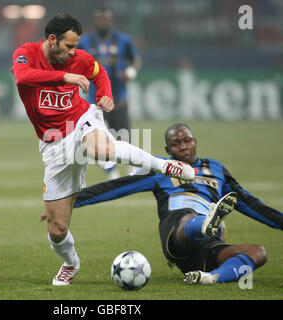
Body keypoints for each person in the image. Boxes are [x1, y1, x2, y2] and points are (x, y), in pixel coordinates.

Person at [11, 15, 194, 286]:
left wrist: (104, 94)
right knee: (57, 230)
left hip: (81, 119)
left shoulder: (80, 59)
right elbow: (23, 77)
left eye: (75, 47)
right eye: (69, 47)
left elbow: (98, 72)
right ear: (52, 40)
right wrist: (65, 76)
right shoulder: (26, 53)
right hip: (53, 145)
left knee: (102, 150)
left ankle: (165, 165)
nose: (74, 52)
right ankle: (70, 264)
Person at [72, 123, 283, 285]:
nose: (183, 147)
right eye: (176, 144)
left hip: (207, 249)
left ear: (195, 141)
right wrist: (68, 202)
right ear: (168, 148)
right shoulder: (161, 168)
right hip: (177, 235)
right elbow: (117, 186)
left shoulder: (216, 169)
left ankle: (210, 278)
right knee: (188, 216)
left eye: (187, 141)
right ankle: (204, 223)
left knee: (258, 252)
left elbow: (249, 203)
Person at [78, 8, 142, 179]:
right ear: (95, 21)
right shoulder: (85, 42)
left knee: (124, 138)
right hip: (94, 104)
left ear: (111, 21)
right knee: (95, 141)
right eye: (100, 19)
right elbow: (74, 59)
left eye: (106, 19)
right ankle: (110, 172)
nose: (103, 22)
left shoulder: (123, 40)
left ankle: (131, 171)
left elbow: (136, 59)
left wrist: (131, 72)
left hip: (118, 100)